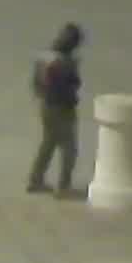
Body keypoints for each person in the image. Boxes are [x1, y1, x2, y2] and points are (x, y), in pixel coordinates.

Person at [25, 23, 85, 195]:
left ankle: (35, 180)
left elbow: (36, 83)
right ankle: (64, 186)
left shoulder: (45, 57)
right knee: (69, 148)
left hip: (46, 106)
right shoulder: (64, 62)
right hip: (61, 108)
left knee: (48, 143)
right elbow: (71, 85)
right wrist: (74, 70)